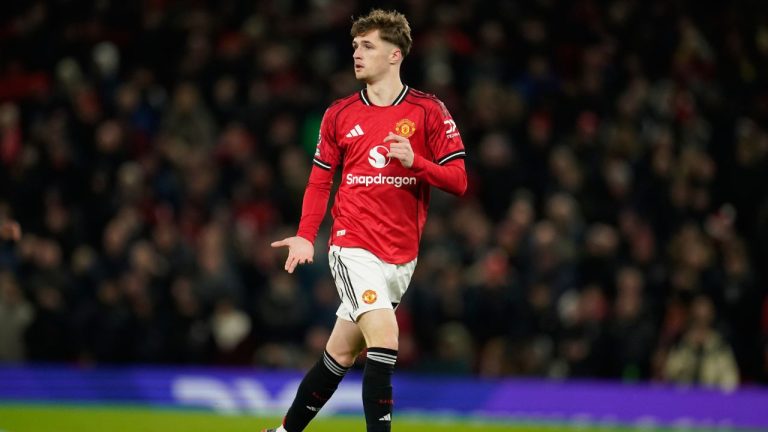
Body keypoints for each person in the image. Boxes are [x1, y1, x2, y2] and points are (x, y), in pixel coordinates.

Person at [267, 9, 467, 432]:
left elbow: (460, 180)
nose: (356, 53)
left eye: (368, 46)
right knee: (386, 339)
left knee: (340, 354)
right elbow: (320, 183)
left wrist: (418, 163)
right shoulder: (338, 115)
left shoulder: (429, 111)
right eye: (355, 45)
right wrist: (306, 237)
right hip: (352, 244)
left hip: (401, 256)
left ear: (395, 55)